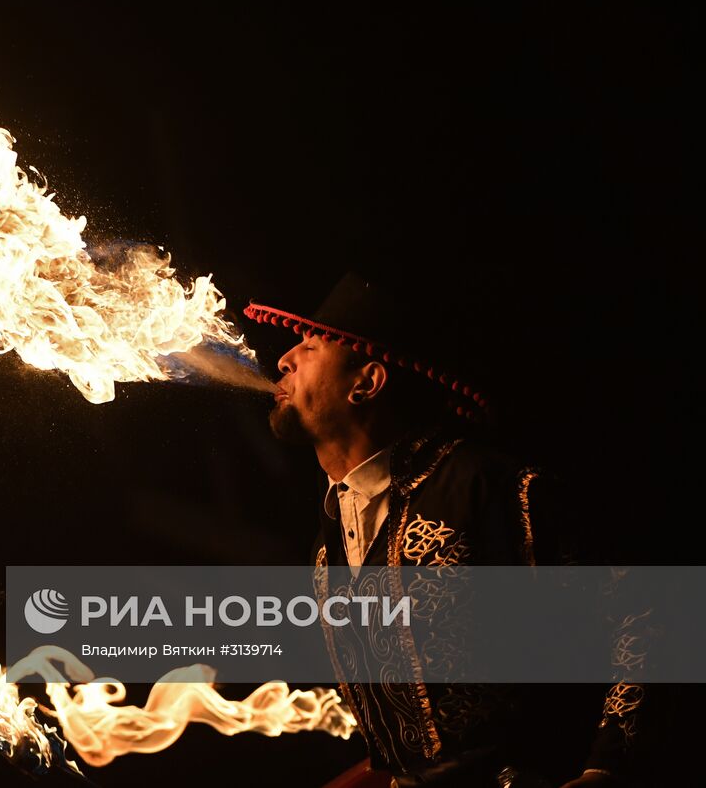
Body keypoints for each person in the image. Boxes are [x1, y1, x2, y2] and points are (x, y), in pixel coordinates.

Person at [243, 272, 649, 788]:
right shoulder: (329, 537)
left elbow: (645, 618)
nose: (284, 359)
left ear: (366, 383)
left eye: (310, 345)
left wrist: (605, 769)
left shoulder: (493, 486)